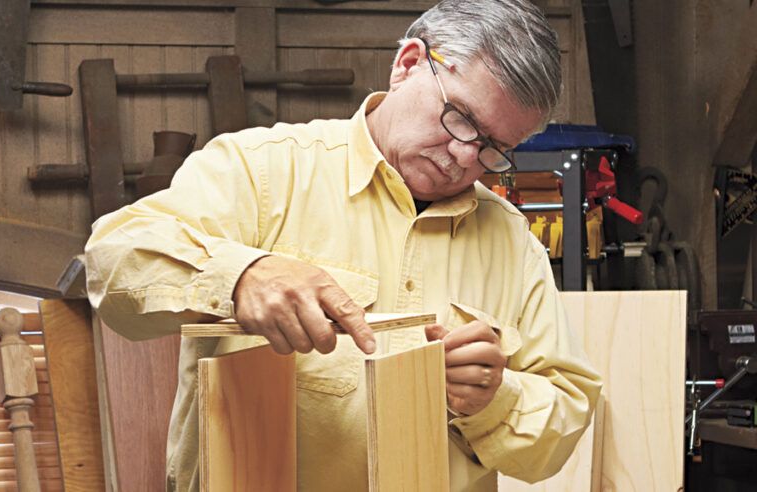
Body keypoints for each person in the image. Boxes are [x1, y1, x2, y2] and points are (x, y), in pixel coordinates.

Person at [85, 0, 602, 490]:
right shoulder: (264, 170)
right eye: (461, 119)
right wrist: (241, 276)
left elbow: (562, 424)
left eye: (494, 147)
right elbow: (112, 262)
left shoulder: (512, 242)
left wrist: (494, 398)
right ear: (408, 63)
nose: (464, 157)